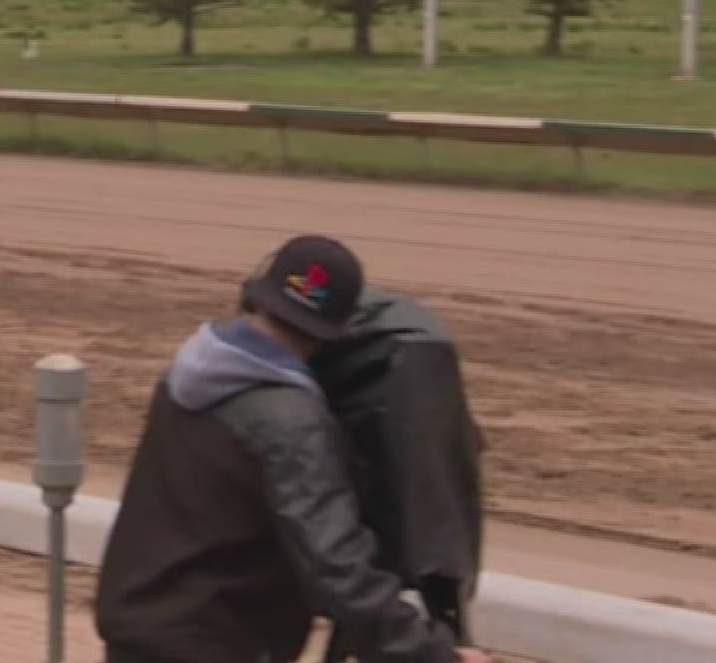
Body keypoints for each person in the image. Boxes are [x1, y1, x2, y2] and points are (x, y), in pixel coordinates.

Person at [95, 235, 493, 663]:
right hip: (216, 646)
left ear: (260, 297)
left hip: (137, 635)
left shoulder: (187, 371)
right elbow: (338, 569)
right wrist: (433, 654)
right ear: (334, 331)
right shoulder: (292, 421)